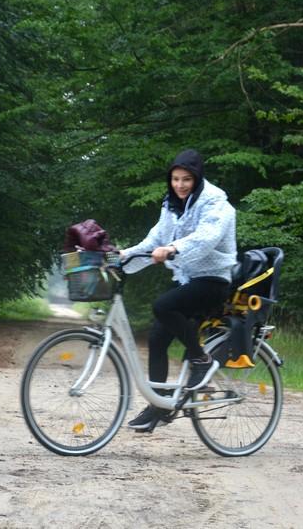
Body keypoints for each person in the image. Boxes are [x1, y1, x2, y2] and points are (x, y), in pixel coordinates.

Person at [119, 149, 237, 430]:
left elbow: (207, 238)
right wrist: (124, 256)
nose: (180, 185)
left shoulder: (215, 203)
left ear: (197, 178)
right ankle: (159, 407)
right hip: (187, 279)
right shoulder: (171, 204)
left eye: (186, 179)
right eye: (175, 179)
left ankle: (202, 360)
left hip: (213, 280)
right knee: (157, 338)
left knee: (163, 306)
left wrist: (173, 248)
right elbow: (154, 240)